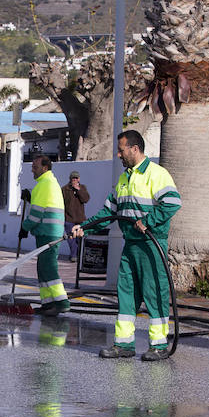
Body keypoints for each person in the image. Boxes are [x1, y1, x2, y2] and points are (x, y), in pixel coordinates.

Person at [71, 130, 181, 361]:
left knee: (154, 294)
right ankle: (124, 345)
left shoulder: (156, 174)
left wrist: (148, 222)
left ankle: (159, 346)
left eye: (121, 150)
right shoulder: (124, 178)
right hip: (131, 245)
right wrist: (85, 227)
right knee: (126, 293)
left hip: (151, 245)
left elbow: (172, 203)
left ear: (135, 149)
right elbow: (109, 212)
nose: (118, 154)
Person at [20, 155, 70, 316]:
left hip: (48, 233)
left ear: (45, 168)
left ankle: (62, 302)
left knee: (48, 267)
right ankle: (48, 303)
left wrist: (24, 227)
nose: (32, 169)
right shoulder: (47, 183)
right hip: (48, 232)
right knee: (42, 268)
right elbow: (41, 205)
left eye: (35, 166)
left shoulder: (44, 184)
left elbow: (36, 214)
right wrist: (30, 196)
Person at [62, 170, 90, 262]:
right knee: (71, 238)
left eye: (76, 178)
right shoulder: (65, 189)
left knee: (79, 238)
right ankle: (74, 255)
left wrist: (78, 190)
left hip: (80, 218)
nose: (75, 180)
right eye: (73, 178)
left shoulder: (82, 188)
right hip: (68, 218)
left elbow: (86, 199)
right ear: (70, 179)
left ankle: (78, 255)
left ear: (79, 179)